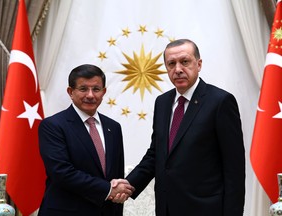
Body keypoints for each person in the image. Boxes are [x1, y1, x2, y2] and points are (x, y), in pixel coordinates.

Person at [114, 39, 245, 216]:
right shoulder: (162, 102)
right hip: (167, 208)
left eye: (184, 62)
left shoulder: (221, 102)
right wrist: (127, 185)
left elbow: (234, 169)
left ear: (198, 64)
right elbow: (156, 154)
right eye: (171, 64)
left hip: (206, 210)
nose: (178, 69)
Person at [38, 64, 134, 216]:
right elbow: (62, 172)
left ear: (103, 92)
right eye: (83, 89)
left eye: (96, 89)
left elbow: (116, 174)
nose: (90, 95)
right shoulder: (53, 126)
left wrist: (119, 192)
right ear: (70, 92)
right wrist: (109, 190)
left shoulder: (113, 127)